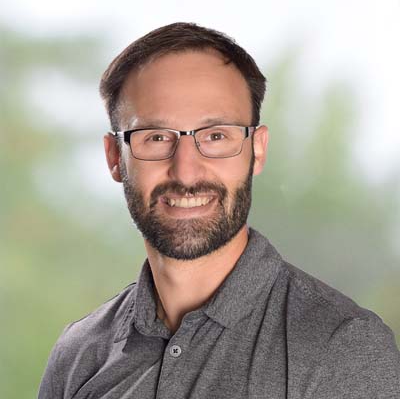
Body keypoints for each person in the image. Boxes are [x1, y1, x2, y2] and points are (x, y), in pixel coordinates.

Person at [39, 22, 400, 398]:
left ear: (257, 149)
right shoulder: (78, 355)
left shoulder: (343, 349)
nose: (186, 172)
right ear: (115, 157)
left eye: (215, 136)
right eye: (156, 137)